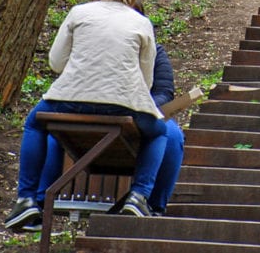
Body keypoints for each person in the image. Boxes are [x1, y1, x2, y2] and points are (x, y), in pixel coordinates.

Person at [4, 0, 168, 233]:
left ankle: (26, 199)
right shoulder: (142, 23)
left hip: (71, 97)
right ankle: (139, 196)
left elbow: (56, 63)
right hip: (123, 103)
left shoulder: (79, 13)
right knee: (160, 133)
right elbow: (146, 80)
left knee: (34, 123)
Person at [37, 43, 185, 216]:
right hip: (97, 110)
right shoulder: (96, 45)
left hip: (143, 114)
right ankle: (40, 199)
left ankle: (153, 205)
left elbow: (164, 91)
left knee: (172, 136)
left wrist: (144, 108)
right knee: (57, 130)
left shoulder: (155, 51)